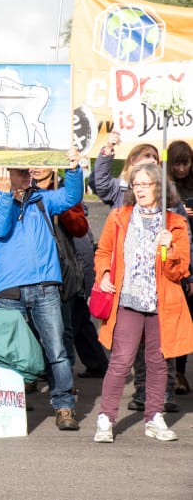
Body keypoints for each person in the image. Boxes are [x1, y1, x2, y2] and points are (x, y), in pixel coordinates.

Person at [0, 150, 83, 431]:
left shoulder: (41, 199)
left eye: (29, 170)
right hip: (9, 289)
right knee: (12, 352)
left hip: (45, 285)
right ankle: (12, 406)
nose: (29, 173)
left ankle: (64, 407)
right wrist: (4, 195)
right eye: (21, 171)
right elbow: (0, 230)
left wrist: (73, 170)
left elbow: (71, 197)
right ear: (2, 174)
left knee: (57, 350)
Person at [92, 163, 193, 443]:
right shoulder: (119, 217)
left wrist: (169, 248)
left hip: (161, 304)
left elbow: (180, 270)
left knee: (158, 362)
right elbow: (103, 252)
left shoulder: (175, 223)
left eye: (146, 184)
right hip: (128, 301)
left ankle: (154, 417)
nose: (139, 190)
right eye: (136, 185)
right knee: (121, 361)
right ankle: (105, 418)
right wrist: (105, 274)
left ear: (158, 188)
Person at [90, 132, 181, 412]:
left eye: (155, 161)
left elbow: (182, 245)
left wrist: (178, 261)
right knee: (128, 353)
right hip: (128, 288)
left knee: (161, 350)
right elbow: (99, 183)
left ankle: (163, 397)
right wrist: (107, 149)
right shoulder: (120, 202)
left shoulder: (170, 208)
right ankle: (134, 398)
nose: (142, 187)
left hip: (161, 287)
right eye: (145, 160)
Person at [31, 168, 108, 380]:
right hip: (34, 269)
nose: (36, 168)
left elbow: (80, 227)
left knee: (68, 323)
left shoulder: (66, 189)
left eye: (43, 162)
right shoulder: (22, 188)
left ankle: (65, 375)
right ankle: (93, 362)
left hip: (64, 267)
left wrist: (59, 205)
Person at [166, 139, 193, 395]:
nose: (182, 168)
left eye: (186, 163)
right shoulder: (166, 189)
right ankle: (176, 374)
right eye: (177, 163)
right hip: (173, 257)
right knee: (176, 320)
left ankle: (180, 372)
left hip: (189, 256)